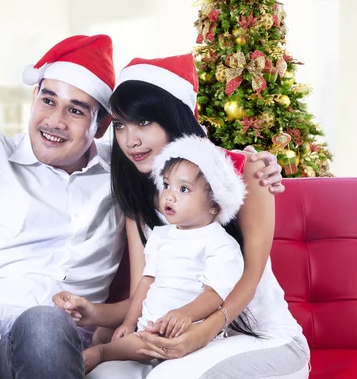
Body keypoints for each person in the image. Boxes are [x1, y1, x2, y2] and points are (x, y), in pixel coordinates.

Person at [0, 25, 284, 378]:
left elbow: (184, 161)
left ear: (99, 126)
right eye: (48, 100)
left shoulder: (125, 174)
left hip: (50, 338)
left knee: (44, 322)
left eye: (76, 110)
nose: (54, 121)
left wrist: (251, 160)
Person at [54, 55, 309, 378]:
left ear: (173, 118)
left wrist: (202, 332)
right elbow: (144, 294)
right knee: (103, 375)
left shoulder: (247, 173)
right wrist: (93, 313)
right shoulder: (143, 204)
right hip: (181, 339)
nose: (130, 140)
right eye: (120, 125)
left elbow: (249, 279)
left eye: (143, 122)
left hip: (264, 340)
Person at [83, 134, 308, 378]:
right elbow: (146, 283)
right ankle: (103, 353)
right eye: (166, 185)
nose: (169, 195)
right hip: (155, 329)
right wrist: (122, 320)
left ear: (215, 204)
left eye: (183, 189)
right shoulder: (160, 232)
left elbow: (219, 293)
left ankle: (107, 352)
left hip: (223, 334)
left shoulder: (220, 241)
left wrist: (186, 316)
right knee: (104, 373)